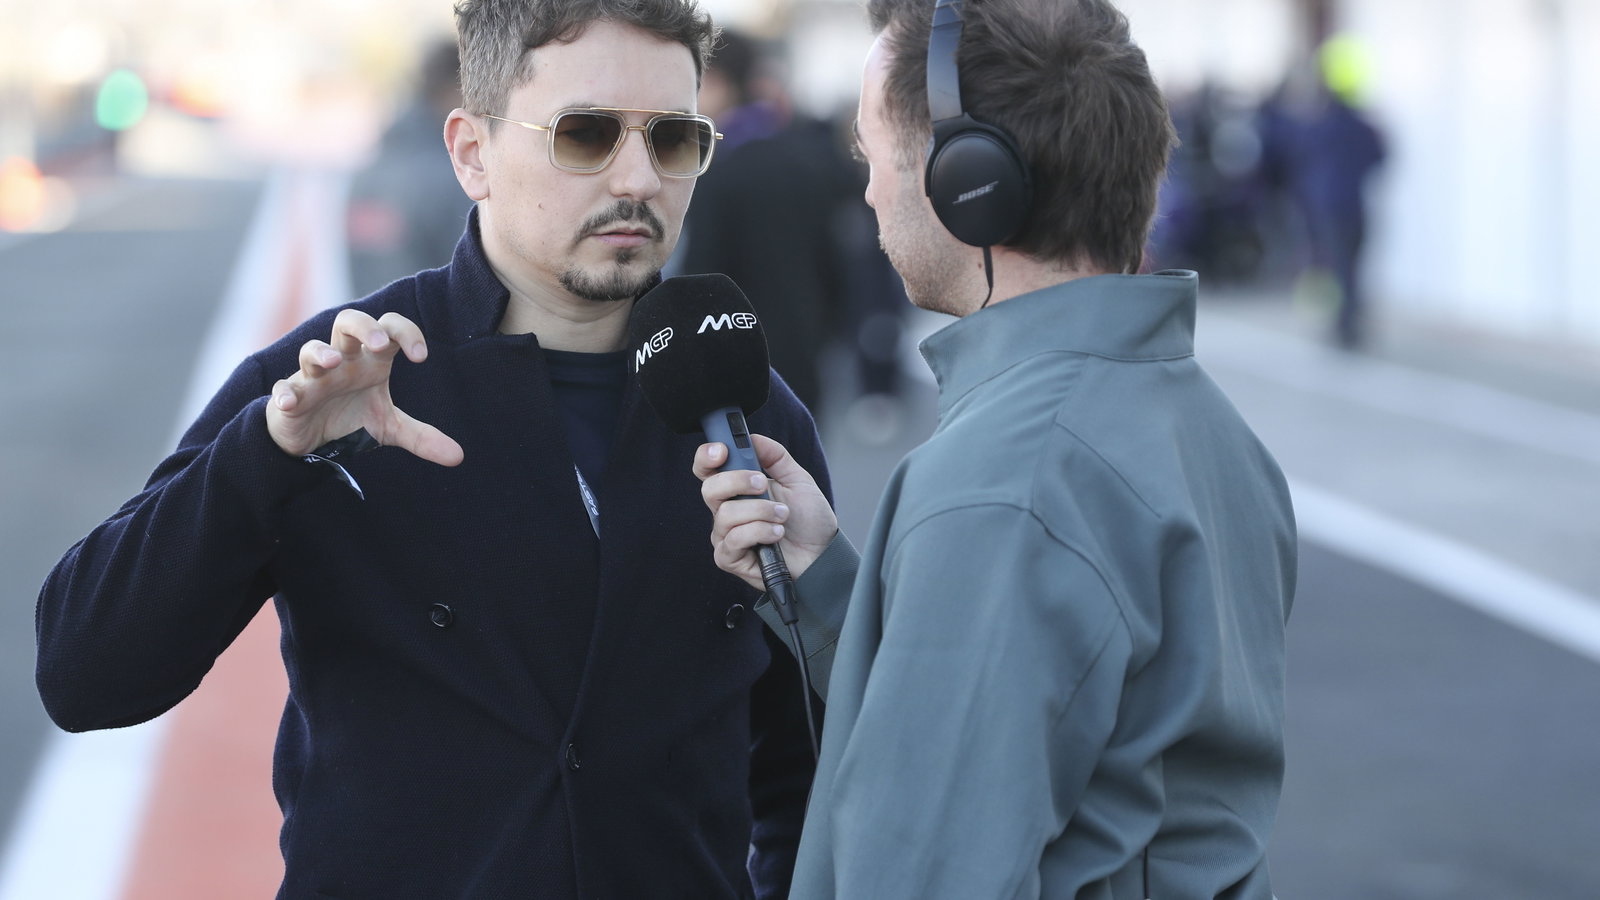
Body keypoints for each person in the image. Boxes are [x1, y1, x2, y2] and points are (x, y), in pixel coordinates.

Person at [35, 1, 829, 897]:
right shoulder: (336, 382)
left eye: (676, 139)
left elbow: (808, 773)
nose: (639, 178)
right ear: (471, 152)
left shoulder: (748, 412)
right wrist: (266, 456)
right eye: (588, 134)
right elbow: (84, 673)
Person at [694, 0, 1297, 896]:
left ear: (971, 179)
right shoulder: (1203, 426)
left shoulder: (1004, 488)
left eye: (873, 153)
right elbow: (1083, 734)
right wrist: (825, 585)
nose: (866, 190)